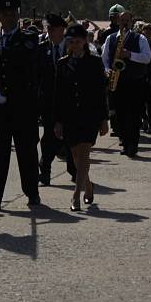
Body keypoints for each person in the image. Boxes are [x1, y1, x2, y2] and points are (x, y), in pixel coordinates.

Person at [0, 0, 41, 211]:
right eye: (5, 14)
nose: (9, 17)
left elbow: (27, 58)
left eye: (13, 13)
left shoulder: (29, 37)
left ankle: (32, 192)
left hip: (23, 106)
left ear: (18, 15)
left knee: (27, 151)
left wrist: (2, 52)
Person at [53, 24, 109, 211]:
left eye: (78, 42)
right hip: (70, 116)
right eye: (71, 42)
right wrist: (58, 120)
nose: (74, 45)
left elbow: (101, 92)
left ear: (85, 41)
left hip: (89, 115)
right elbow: (58, 94)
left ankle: (76, 195)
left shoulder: (94, 62)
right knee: (76, 156)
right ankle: (88, 185)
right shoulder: (62, 63)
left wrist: (103, 119)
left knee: (84, 153)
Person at [102, 10, 151, 157]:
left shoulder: (140, 38)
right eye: (122, 20)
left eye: (127, 20)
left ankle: (133, 144)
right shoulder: (110, 39)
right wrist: (106, 71)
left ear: (132, 22)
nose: (124, 23)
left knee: (134, 115)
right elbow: (103, 59)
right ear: (118, 22)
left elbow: (147, 57)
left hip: (134, 82)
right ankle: (124, 140)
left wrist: (130, 54)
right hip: (117, 81)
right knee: (120, 114)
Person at [37, 13, 76, 186]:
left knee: (70, 138)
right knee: (49, 138)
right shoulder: (42, 48)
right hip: (48, 102)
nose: (50, 32)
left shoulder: (72, 48)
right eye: (48, 29)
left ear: (62, 29)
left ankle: (74, 171)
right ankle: (44, 171)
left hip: (68, 102)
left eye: (53, 29)